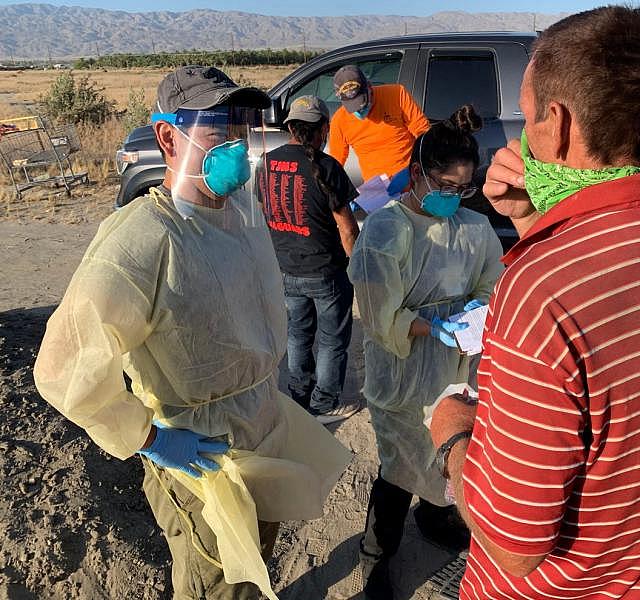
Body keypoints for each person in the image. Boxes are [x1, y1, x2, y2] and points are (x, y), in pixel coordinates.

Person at [429, 7, 640, 600]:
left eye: (528, 118)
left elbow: (512, 545)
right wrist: (534, 220)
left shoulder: (540, 291)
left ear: (554, 123)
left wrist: (454, 438)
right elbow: (623, 334)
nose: (523, 137)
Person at [33, 66, 351, 600]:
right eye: (216, 130)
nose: (234, 144)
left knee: (254, 564)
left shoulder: (236, 217)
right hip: (201, 464)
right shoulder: (141, 240)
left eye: (241, 128)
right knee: (216, 583)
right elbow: (65, 368)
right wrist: (150, 438)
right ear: (167, 137)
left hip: (258, 436)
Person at [348, 104, 505, 600]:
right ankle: (377, 558)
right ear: (417, 174)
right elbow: (378, 317)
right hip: (400, 371)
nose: (454, 198)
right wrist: (433, 327)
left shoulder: (473, 227)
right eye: (445, 187)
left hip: (455, 365)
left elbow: (490, 282)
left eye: (464, 189)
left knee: (450, 449)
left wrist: (472, 317)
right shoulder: (385, 232)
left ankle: (438, 517)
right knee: (397, 466)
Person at [256, 95, 360, 423]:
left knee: (298, 335)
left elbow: (264, 214)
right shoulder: (328, 168)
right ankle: (325, 404)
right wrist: (357, 267)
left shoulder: (266, 164)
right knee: (331, 340)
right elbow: (347, 230)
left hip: (285, 269)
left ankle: (299, 395)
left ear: (290, 127)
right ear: (323, 129)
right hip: (326, 272)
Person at [328, 64, 429, 184]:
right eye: (354, 107)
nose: (360, 110)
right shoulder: (339, 120)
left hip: (412, 180)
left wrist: (423, 168)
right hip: (377, 191)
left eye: (362, 103)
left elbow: (423, 131)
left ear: (369, 87)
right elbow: (335, 164)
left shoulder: (397, 94)